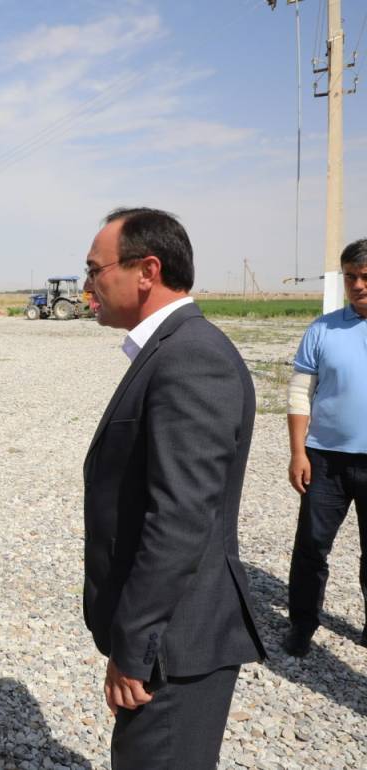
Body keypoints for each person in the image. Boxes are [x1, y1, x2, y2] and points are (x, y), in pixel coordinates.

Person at [82, 208, 265, 769]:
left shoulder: (191, 356)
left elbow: (181, 517)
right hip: (168, 635)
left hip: (176, 641)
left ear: (147, 270)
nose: (88, 285)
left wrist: (135, 646)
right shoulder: (172, 348)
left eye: (95, 269)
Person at [282, 238, 367, 657]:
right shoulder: (323, 329)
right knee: (312, 547)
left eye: (365, 276)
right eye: (350, 277)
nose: (358, 285)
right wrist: (298, 452)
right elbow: (301, 393)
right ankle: (301, 624)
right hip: (325, 458)